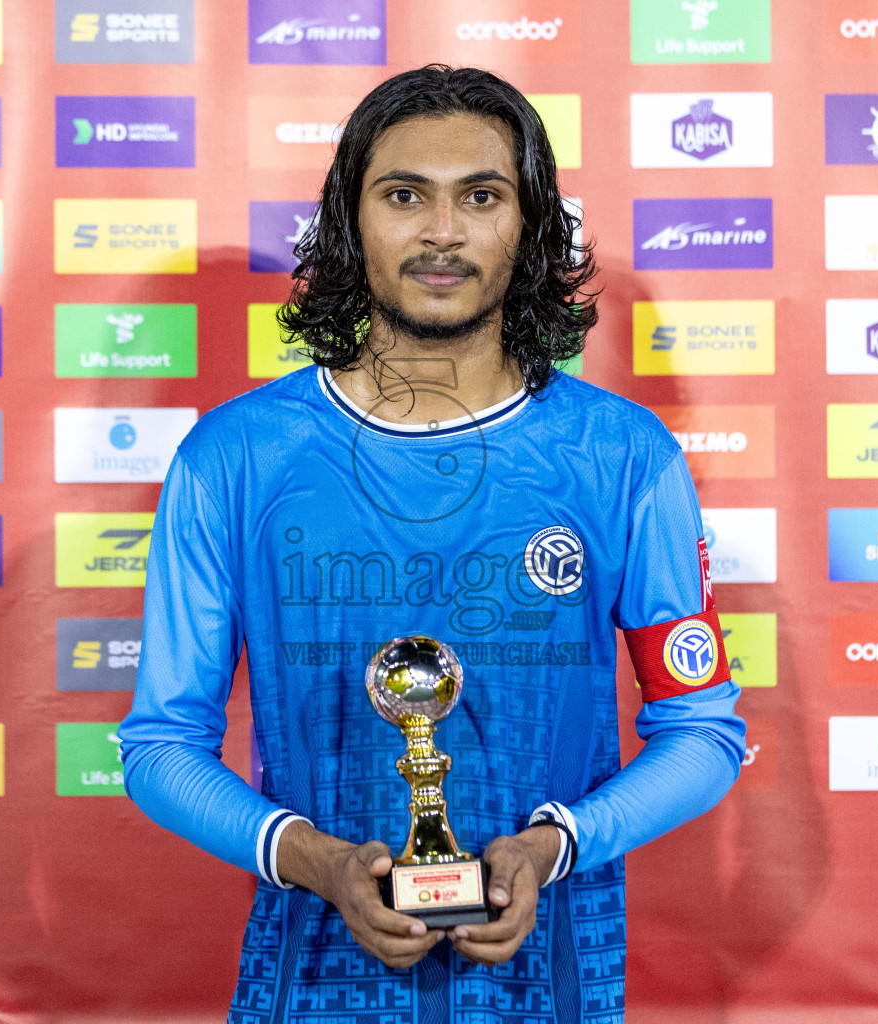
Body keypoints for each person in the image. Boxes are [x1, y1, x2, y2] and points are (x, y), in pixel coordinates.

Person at [119, 65, 746, 1023]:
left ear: (531, 226)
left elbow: (703, 732)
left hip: (551, 982)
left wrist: (554, 846)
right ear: (348, 220)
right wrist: (317, 860)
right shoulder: (235, 457)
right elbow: (162, 747)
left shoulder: (623, 456)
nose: (442, 231)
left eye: (482, 196)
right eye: (404, 194)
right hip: (311, 982)